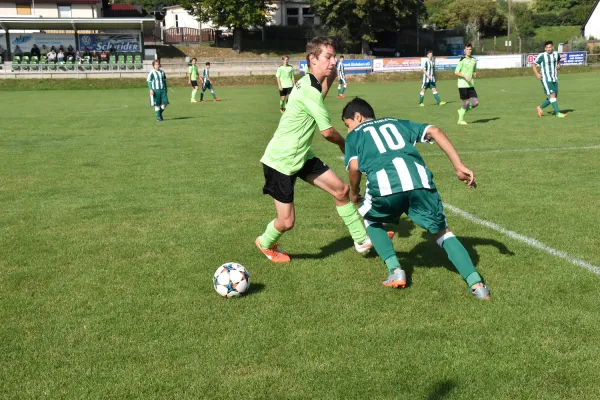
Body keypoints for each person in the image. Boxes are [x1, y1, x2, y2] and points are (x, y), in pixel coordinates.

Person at [342, 97, 490, 300]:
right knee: (442, 232)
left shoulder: (354, 136)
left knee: (371, 218)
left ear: (357, 117)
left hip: (385, 186)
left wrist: (354, 192)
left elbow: (354, 167)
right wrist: (458, 166)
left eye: (347, 125)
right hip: (420, 183)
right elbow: (434, 131)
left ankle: (396, 270)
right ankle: (477, 285)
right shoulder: (396, 123)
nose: (348, 130)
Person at [256, 37, 374, 263]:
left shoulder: (309, 82)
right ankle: (265, 242)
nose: (332, 62)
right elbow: (328, 132)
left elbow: (322, 91)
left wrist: (332, 74)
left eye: (334, 57)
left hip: (301, 155)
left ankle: (361, 240)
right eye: (328, 57)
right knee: (287, 222)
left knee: (341, 191)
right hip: (281, 161)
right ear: (312, 59)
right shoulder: (308, 89)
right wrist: (345, 145)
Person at [533, 41, 567, 118]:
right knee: (553, 96)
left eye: (550, 47)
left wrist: (559, 65)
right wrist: (537, 74)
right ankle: (557, 113)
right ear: (545, 48)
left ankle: (540, 107)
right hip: (546, 79)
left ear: (552, 47)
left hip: (554, 78)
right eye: (547, 47)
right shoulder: (542, 56)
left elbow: (558, 61)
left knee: (554, 97)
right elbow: (534, 65)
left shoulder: (556, 54)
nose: (548, 49)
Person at [455, 43, 478, 125]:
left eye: (470, 49)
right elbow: (456, 72)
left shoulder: (474, 60)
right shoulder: (462, 60)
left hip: (471, 85)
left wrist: (475, 73)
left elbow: (474, 70)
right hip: (462, 85)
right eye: (467, 49)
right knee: (466, 103)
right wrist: (465, 76)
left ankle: (461, 111)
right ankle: (460, 120)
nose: (469, 51)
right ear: (464, 50)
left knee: (475, 102)